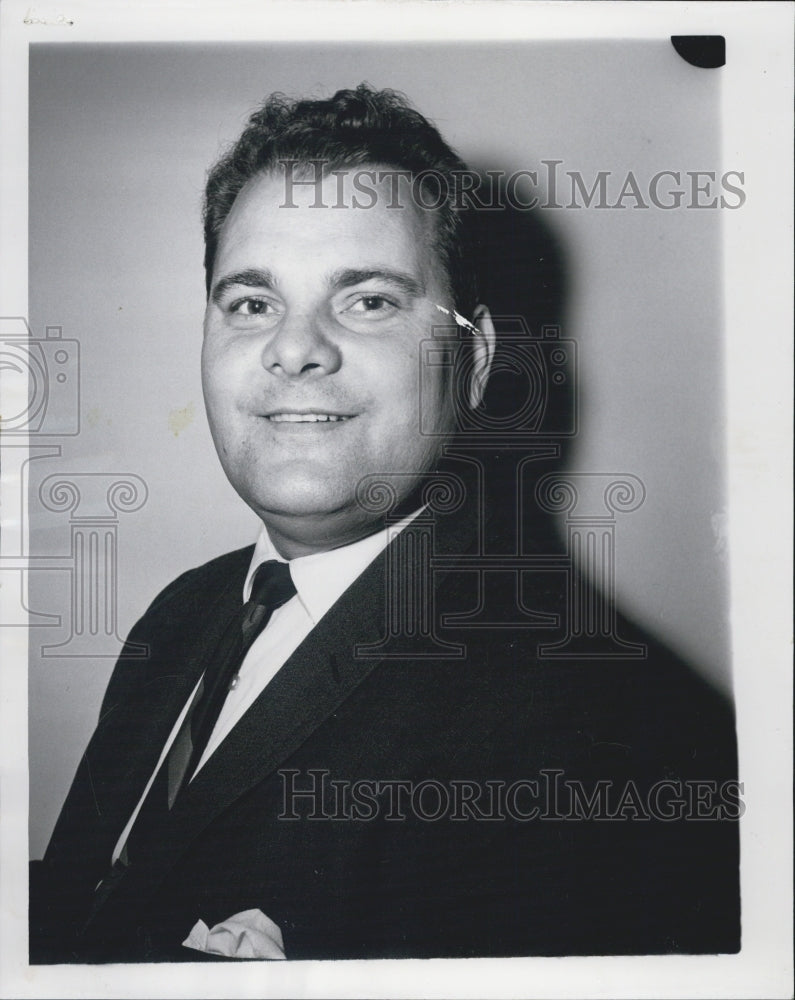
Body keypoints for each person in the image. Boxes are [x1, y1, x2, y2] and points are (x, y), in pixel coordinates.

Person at [29, 85, 740, 963]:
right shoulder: (182, 611)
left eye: (367, 300)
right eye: (251, 303)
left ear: (472, 361)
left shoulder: (598, 735)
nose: (294, 348)